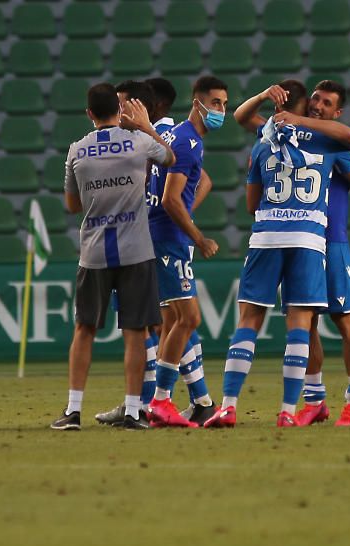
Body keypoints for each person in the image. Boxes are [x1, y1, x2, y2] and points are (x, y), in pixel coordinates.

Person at [205, 80, 350, 429]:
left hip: (272, 236)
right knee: (302, 326)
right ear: (305, 104)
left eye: (325, 103)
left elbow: (250, 204)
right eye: (315, 101)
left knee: (251, 321)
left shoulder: (264, 142)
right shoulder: (328, 143)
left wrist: (271, 102)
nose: (318, 107)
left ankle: (228, 406)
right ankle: (291, 411)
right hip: (310, 237)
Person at [49, 84, 175, 431]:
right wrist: (147, 126)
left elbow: (72, 205)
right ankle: (134, 411)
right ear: (119, 111)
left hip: (94, 252)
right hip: (137, 249)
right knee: (135, 332)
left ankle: (73, 410)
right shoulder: (139, 142)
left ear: (89, 114)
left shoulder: (77, 150)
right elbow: (170, 158)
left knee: (84, 328)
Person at [95, 77, 217, 426]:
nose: (120, 111)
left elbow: (194, 179)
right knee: (166, 323)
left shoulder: (163, 131)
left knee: (162, 323)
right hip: (151, 236)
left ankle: (148, 402)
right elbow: (201, 180)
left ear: (151, 105)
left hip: (157, 238)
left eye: (124, 104)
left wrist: (177, 216)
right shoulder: (153, 132)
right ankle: (188, 400)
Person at [144, 75, 226, 429]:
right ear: (198, 103)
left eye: (224, 103)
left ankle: (168, 401)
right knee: (188, 319)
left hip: (163, 237)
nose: (221, 110)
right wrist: (198, 237)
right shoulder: (189, 142)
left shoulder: (182, 137)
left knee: (171, 323)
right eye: (216, 103)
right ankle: (161, 401)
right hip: (169, 241)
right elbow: (170, 199)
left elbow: (187, 191)